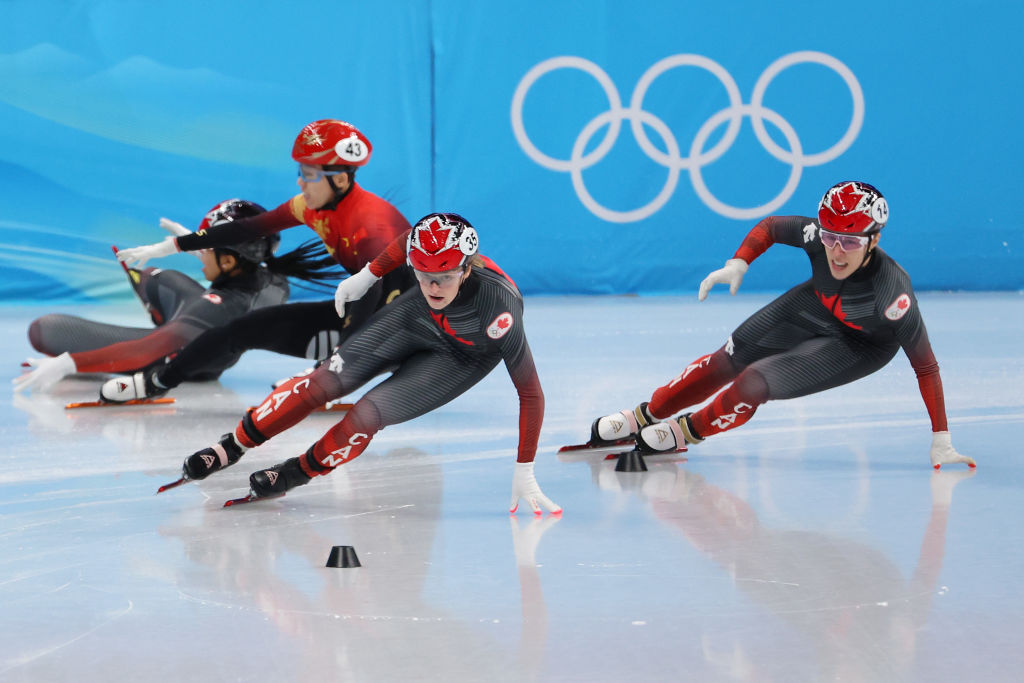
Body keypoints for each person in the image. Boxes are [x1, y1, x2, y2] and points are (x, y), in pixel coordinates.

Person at [171, 212, 561, 514]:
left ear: (467, 267)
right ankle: (232, 445)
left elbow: (531, 392)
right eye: (423, 275)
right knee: (322, 383)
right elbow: (407, 241)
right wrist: (366, 276)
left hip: (462, 355)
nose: (433, 287)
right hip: (416, 318)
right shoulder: (423, 257)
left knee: (366, 415)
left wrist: (524, 467)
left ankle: (295, 472)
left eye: (443, 276)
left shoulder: (498, 310)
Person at [589, 181, 975, 470]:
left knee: (754, 382)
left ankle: (685, 431)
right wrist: (739, 261)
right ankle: (644, 414)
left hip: (861, 344)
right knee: (728, 358)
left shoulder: (893, 296)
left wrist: (941, 436)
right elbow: (772, 226)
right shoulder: (818, 236)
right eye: (830, 238)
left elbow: (926, 366)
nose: (837, 251)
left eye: (851, 243)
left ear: (873, 241)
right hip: (816, 304)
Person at [101, 119, 414, 403]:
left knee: (364, 312)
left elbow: (372, 294)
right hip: (371, 313)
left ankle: (336, 374)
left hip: (411, 325)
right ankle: (155, 382)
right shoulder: (310, 206)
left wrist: (331, 367)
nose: (300, 183)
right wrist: (171, 246)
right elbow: (243, 230)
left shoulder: (372, 228)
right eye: (299, 173)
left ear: (340, 182)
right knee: (239, 330)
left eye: (308, 175)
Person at [13, 199, 339, 393]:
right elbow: (243, 263)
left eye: (207, 247)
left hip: (177, 359)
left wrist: (69, 364)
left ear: (227, 260)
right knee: (161, 277)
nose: (201, 250)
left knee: (45, 328)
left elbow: (146, 351)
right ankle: (159, 305)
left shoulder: (217, 308)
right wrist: (195, 241)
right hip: (210, 350)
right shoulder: (274, 277)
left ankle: (158, 310)